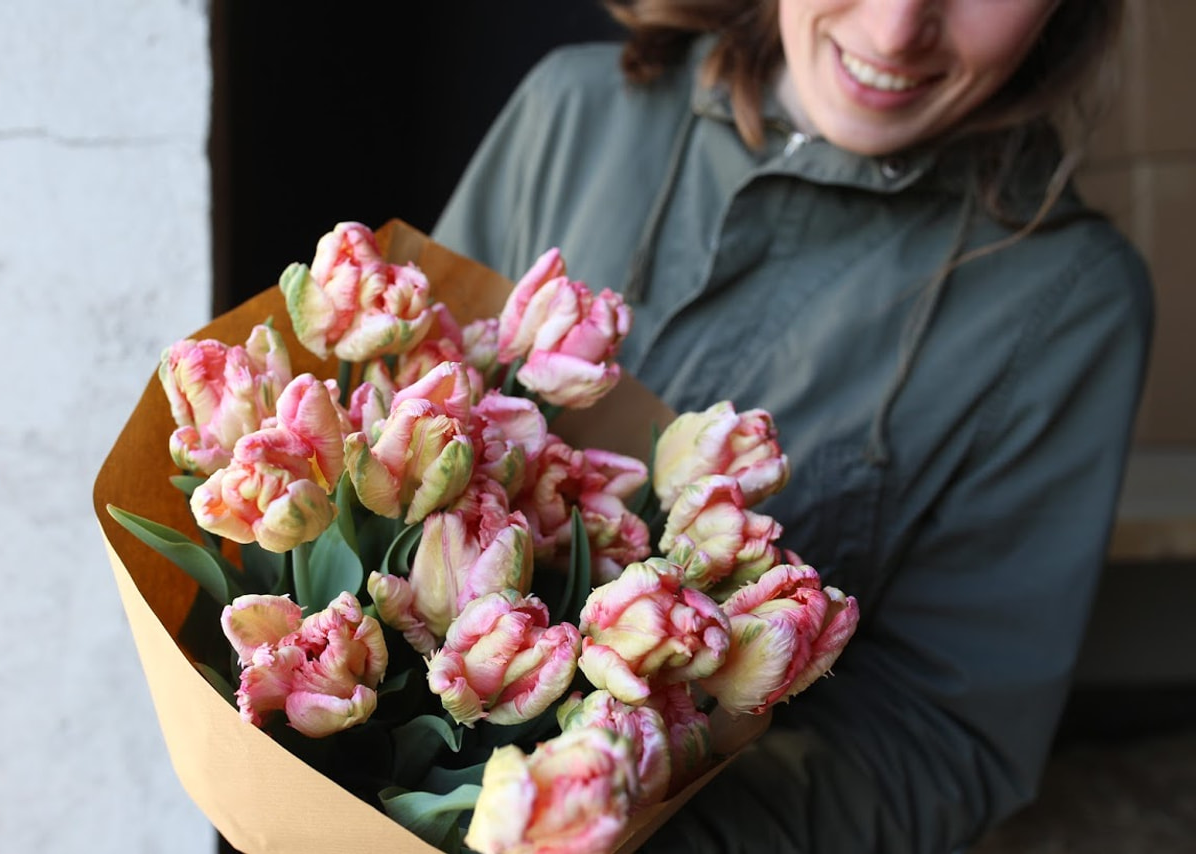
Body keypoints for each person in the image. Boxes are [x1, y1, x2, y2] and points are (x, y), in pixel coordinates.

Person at [433, 1, 1152, 851]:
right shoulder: (571, 113)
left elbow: (937, 745)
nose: (895, 31)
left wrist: (595, 827)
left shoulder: (1064, 305)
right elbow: (404, 418)